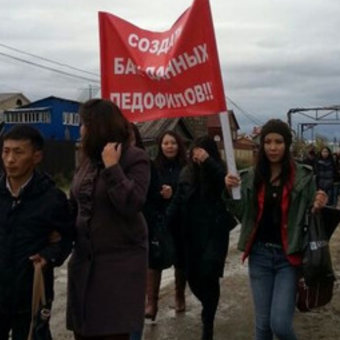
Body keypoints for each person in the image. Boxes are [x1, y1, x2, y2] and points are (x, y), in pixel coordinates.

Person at [225, 119, 328, 340]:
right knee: (262, 326)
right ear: (262, 145)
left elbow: (313, 209)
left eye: (278, 142)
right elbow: (242, 213)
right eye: (268, 142)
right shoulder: (252, 176)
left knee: (280, 324)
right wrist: (230, 191)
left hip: (288, 257)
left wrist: (319, 202)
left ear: (287, 144)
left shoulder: (303, 175)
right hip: (260, 256)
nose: (273, 147)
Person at [67, 99, 150, 340]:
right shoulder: (86, 160)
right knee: (83, 332)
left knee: (110, 334)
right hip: (84, 265)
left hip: (118, 269)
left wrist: (112, 167)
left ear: (99, 126)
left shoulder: (135, 158)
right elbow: (76, 204)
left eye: (84, 124)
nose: (81, 130)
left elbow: (132, 204)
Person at [0, 125, 74, 340]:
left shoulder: (52, 199)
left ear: (37, 156)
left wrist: (49, 256)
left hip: (31, 293)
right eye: (6, 151)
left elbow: (66, 239)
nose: (10, 159)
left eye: (18, 152)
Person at [167, 136, 236, 340]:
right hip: (190, 235)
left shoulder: (218, 170)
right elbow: (178, 201)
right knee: (193, 277)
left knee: (209, 274)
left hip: (214, 234)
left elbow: (226, 185)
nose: (197, 154)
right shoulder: (187, 173)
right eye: (194, 151)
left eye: (202, 151)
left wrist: (208, 162)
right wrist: (164, 226)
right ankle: (208, 306)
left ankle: (208, 323)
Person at [144, 130, 187, 321]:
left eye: (173, 143)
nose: (169, 146)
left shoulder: (186, 166)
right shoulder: (153, 166)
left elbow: (190, 190)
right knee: (154, 261)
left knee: (180, 260)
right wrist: (159, 195)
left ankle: (179, 296)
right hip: (160, 220)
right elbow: (147, 192)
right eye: (166, 143)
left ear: (179, 145)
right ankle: (151, 303)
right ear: (160, 146)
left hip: (181, 219)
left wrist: (174, 191)